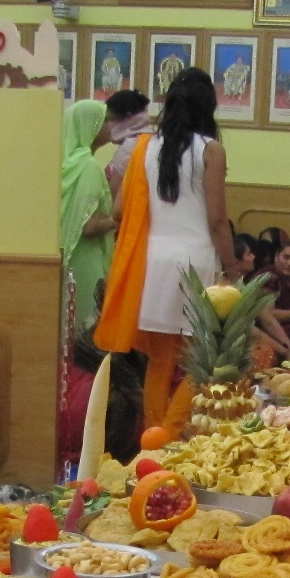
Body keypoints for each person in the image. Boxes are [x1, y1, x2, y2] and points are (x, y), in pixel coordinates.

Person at [96, 69, 235, 436]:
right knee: (202, 360)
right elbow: (217, 220)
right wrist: (233, 267)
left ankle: (153, 440)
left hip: (153, 263)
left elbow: (119, 211)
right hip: (196, 262)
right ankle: (172, 435)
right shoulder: (211, 150)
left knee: (159, 362)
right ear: (208, 107)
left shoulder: (145, 148)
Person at [61, 98, 121, 337]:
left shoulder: (66, 163)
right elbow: (90, 227)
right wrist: (119, 219)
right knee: (88, 329)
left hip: (71, 258)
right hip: (87, 260)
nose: (110, 126)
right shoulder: (88, 167)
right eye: (105, 120)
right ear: (90, 126)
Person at [99, 88, 151, 204]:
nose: (107, 125)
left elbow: (111, 194)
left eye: (109, 119)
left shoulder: (129, 146)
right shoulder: (152, 139)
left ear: (128, 117)